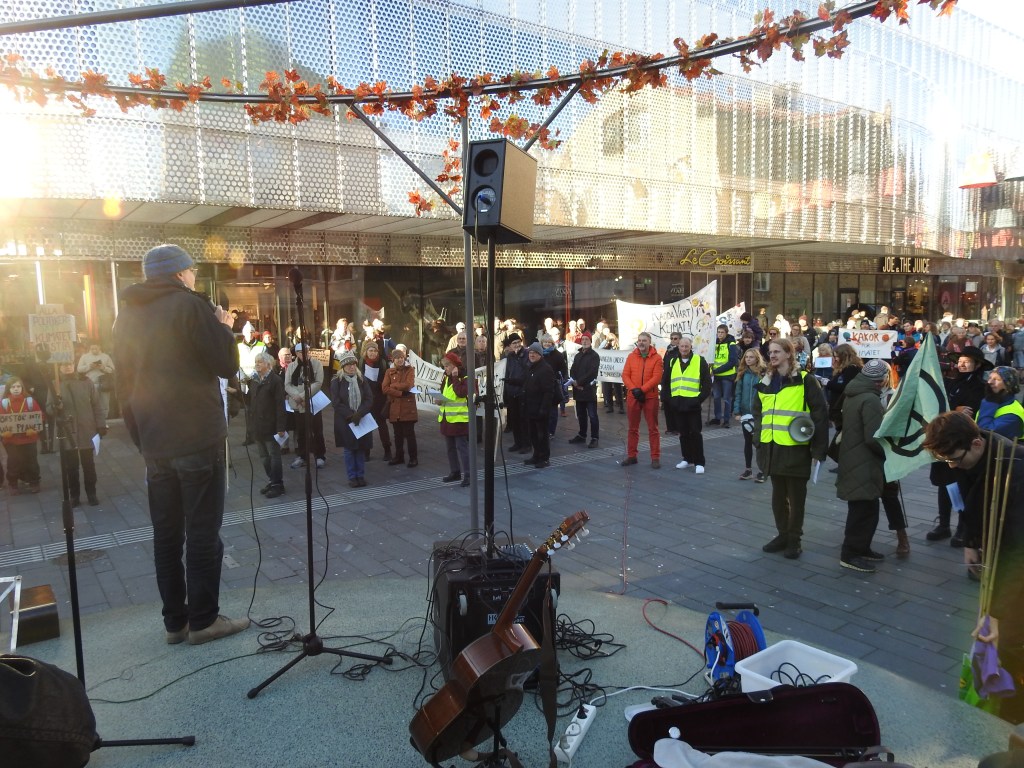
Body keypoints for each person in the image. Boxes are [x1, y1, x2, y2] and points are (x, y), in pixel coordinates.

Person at [112, 243, 248, 646]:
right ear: (179, 273)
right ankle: (204, 620)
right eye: (191, 270)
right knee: (203, 531)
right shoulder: (190, 306)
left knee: (167, 535)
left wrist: (141, 437)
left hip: (155, 441)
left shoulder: (126, 316)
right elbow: (227, 365)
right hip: (197, 437)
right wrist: (223, 327)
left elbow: (122, 385)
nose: (193, 276)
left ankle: (175, 623)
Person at [923, 411, 1024, 724]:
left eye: (954, 459)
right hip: (999, 555)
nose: (952, 466)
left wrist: (997, 613)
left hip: (1016, 561)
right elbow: (968, 502)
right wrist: (970, 540)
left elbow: (1018, 552)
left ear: (977, 443)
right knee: (996, 636)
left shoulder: (1016, 469)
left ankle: (1012, 719)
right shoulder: (972, 458)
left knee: (1008, 641)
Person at [753, 337, 829, 559]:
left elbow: (820, 416)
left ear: (788, 353)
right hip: (771, 447)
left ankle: (794, 540)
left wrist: (818, 451)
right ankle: (783, 535)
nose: (772, 355)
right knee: (778, 498)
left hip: (796, 448)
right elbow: (758, 412)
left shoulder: (805, 380)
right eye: (770, 352)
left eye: (777, 351)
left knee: (796, 498)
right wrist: (758, 439)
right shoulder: (766, 381)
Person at [929, 346, 993, 544]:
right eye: (960, 361)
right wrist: (954, 409)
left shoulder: (980, 387)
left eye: (967, 361)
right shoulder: (949, 382)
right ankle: (943, 524)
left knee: (964, 485)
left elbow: (974, 410)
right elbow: (938, 405)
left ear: (977, 364)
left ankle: (963, 528)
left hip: (964, 442)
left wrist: (955, 411)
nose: (961, 364)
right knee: (944, 484)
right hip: (945, 439)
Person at [836, 359, 890, 573]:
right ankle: (851, 554)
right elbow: (873, 437)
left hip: (853, 457)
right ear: (881, 380)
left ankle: (862, 547)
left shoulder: (854, 393)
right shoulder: (870, 399)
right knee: (863, 511)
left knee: (865, 507)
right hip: (864, 461)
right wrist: (888, 453)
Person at [53, 361, 106, 506]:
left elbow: (96, 404)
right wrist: (56, 405)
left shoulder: (86, 382)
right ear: (59, 367)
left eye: (69, 364)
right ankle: (74, 495)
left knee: (88, 464)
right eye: (64, 364)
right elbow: (49, 409)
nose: (67, 367)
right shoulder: (55, 384)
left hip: (86, 428)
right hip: (68, 430)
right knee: (71, 467)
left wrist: (101, 424)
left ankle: (91, 493)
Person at [662, 335, 711, 473]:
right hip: (677, 403)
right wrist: (669, 400)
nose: (684, 349)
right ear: (678, 347)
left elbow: (707, 384)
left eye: (686, 346)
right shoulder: (672, 361)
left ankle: (699, 462)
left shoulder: (699, 361)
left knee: (695, 432)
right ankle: (687, 459)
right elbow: (665, 382)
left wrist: (698, 399)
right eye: (682, 346)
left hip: (693, 403)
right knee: (683, 433)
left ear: (691, 347)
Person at [330, 350, 373, 487]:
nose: (352, 367)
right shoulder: (337, 381)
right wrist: (350, 414)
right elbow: (336, 402)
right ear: (343, 367)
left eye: (353, 364)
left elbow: (369, 398)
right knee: (349, 449)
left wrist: (359, 413)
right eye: (348, 365)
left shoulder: (362, 379)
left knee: (360, 448)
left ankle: (360, 475)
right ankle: (352, 477)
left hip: (361, 418)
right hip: (345, 420)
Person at [622, 332, 663, 468]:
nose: (641, 343)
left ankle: (655, 457)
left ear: (649, 342)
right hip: (633, 396)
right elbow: (625, 375)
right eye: (639, 340)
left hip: (650, 397)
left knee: (653, 429)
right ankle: (632, 456)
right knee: (632, 428)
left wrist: (642, 390)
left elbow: (657, 377)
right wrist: (634, 389)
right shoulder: (631, 356)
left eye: (644, 340)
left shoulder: (657, 358)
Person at [248, 351, 287, 499]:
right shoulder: (254, 380)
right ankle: (272, 480)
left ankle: (278, 484)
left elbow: (280, 405)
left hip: (270, 425)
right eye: (256, 362)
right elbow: (250, 399)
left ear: (268, 364)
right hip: (258, 426)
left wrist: (281, 427)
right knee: (264, 457)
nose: (256, 364)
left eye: (260, 362)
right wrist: (235, 392)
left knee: (273, 455)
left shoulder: (275, 380)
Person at [285, 342, 328, 469]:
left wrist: (303, 396)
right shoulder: (291, 366)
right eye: (301, 352)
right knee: (301, 431)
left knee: (317, 430)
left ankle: (320, 456)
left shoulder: (316, 364)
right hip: (298, 404)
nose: (304, 354)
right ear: (297, 353)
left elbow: (318, 382)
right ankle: (302, 456)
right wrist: (297, 396)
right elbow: (287, 384)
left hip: (312, 402)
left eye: (307, 351)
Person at [1, 377, 43, 494]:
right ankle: (13, 484)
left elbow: (39, 417)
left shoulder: (30, 401)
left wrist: (34, 430)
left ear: (22, 388)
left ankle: (34, 482)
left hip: (29, 438)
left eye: (18, 386)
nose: (16, 389)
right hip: (11, 440)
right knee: (13, 462)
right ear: (9, 389)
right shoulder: (4, 403)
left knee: (32, 461)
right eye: (13, 387)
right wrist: (3, 433)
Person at [437, 351, 472, 485]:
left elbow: (461, 393)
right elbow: (444, 394)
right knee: (450, 448)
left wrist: (456, 377)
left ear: (454, 366)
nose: (445, 368)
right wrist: (439, 400)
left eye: (447, 366)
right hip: (447, 418)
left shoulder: (465, 377)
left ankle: (468, 475)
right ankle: (455, 472)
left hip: (459, 419)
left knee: (462, 448)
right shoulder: (446, 378)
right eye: (444, 366)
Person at [381, 346, 418, 467]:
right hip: (395, 407)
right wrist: (400, 393)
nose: (400, 360)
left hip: (408, 407)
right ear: (393, 360)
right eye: (397, 358)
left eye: (402, 357)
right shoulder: (389, 372)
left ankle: (413, 458)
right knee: (397, 435)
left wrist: (393, 386)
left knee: (409, 434)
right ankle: (399, 457)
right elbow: (384, 388)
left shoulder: (410, 369)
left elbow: (408, 385)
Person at [733, 347, 766, 482]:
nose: (748, 359)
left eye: (751, 357)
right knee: (748, 442)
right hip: (746, 413)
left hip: (760, 414)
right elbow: (738, 393)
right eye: (746, 357)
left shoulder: (763, 374)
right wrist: (737, 411)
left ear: (757, 358)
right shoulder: (742, 374)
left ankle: (763, 470)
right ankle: (748, 470)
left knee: (760, 443)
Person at [522, 342, 556, 469]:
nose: (531, 355)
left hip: (540, 408)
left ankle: (544, 458)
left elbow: (548, 391)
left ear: (540, 355)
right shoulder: (531, 367)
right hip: (531, 407)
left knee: (542, 435)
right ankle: (536, 455)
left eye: (534, 353)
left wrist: (543, 409)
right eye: (530, 352)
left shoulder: (545, 369)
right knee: (533, 434)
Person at [361, 341, 393, 461]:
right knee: (367, 425)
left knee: (382, 425)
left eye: (375, 351)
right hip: (366, 398)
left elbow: (387, 380)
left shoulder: (383, 363)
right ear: (366, 352)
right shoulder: (361, 362)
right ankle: (366, 452)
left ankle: (387, 450)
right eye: (370, 350)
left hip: (380, 397)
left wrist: (376, 384)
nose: (373, 353)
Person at [567, 331, 600, 448]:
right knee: (581, 415)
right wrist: (574, 382)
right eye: (583, 339)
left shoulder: (594, 356)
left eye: (587, 339)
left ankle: (595, 438)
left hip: (588, 389)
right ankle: (582, 435)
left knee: (592, 415)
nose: (584, 341)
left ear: (591, 341)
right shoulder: (578, 355)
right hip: (578, 390)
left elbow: (592, 372)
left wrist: (579, 382)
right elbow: (573, 370)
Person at [977, 366, 1024, 440]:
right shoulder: (995, 402)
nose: (989, 382)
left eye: (997, 379)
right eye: (989, 378)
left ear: (1008, 386)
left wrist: (989, 402)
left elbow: (985, 434)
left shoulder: (1012, 415)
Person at [501, 334, 530, 454]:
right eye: (514, 343)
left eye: (518, 342)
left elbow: (527, 371)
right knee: (514, 419)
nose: (517, 345)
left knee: (524, 420)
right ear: (510, 345)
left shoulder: (527, 354)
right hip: (512, 391)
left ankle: (526, 444)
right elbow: (507, 372)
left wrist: (519, 357)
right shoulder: (510, 356)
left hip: (522, 391)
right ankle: (517, 443)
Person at [77, 341, 115, 421]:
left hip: (104, 383)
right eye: (92, 349)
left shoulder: (106, 357)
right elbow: (79, 369)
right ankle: (93, 421)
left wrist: (103, 368)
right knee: (90, 403)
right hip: (90, 383)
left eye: (96, 348)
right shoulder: (84, 357)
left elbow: (112, 369)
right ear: (89, 348)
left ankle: (104, 421)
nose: (94, 350)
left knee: (104, 403)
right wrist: (89, 366)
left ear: (99, 347)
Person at [710, 324, 740, 426]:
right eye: (718, 332)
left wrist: (716, 370)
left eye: (722, 332)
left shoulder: (731, 344)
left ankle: (726, 420)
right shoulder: (714, 343)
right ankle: (717, 418)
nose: (720, 334)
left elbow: (732, 361)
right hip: (716, 375)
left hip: (727, 375)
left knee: (727, 398)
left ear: (726, 333)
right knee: (716, 397)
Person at [661, 332, 682, 436]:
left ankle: (677, 428)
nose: (673, 340)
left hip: (676, 383)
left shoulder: (681, 351)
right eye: (672, 338)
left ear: (680, 340)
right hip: (666, 382)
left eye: (675, 338)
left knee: (675, 406)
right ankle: (669, 428)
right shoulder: (668, 351)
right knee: (667, 406)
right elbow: (665, 364)